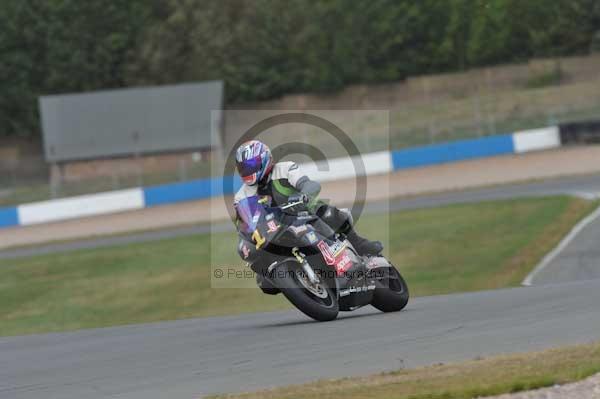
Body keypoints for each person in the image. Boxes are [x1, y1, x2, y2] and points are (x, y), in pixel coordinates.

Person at [233, 140, 383, 275]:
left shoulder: (285, 169)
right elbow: (243, 223)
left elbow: (309, 184)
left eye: (250, 166)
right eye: (243, 168)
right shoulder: (241, 196)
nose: (247, 171)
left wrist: (304, 194)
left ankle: (359, 244)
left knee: (328, 214)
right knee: (263, 278)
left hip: (304, 211)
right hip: (275, 229)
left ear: (264, 159)